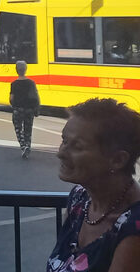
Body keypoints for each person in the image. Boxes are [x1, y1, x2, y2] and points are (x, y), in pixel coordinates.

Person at [46, 98, 140, 272]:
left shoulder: (133, 230)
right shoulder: (79, 197)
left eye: (77, 146)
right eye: (64, 141)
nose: (61, 153)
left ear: (118, 160)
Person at [9, 60, 41, 159]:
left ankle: (23, 146)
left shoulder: (14, 84)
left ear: (16, 70)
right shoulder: (31, 83)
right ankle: (28, 145)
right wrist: (37, 108)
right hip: (29, 109)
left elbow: (11, 98)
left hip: (18, 109)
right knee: (28, 129)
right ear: (25, 69)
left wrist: (13, 105)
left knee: (18, 129)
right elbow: (36, 96)